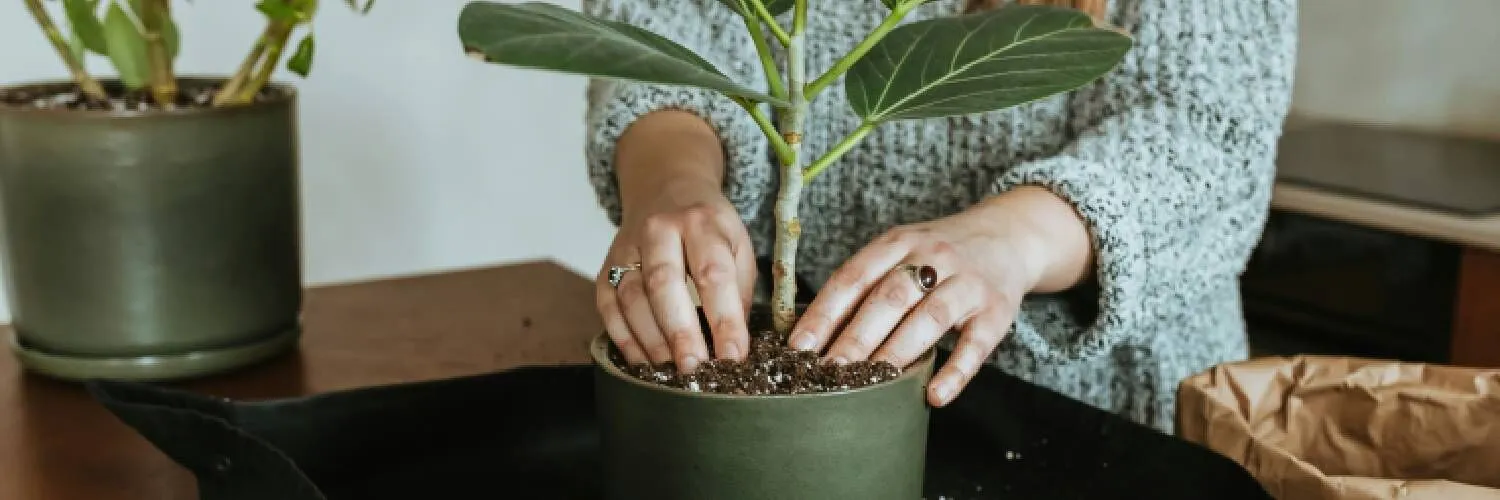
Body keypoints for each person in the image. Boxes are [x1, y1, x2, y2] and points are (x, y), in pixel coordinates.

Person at [582, 0, 1295, 434]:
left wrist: (1014, 239)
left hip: (1102, 418)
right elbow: (660, 29)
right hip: (753, 391)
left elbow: (1208, 131)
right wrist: (666, 190)